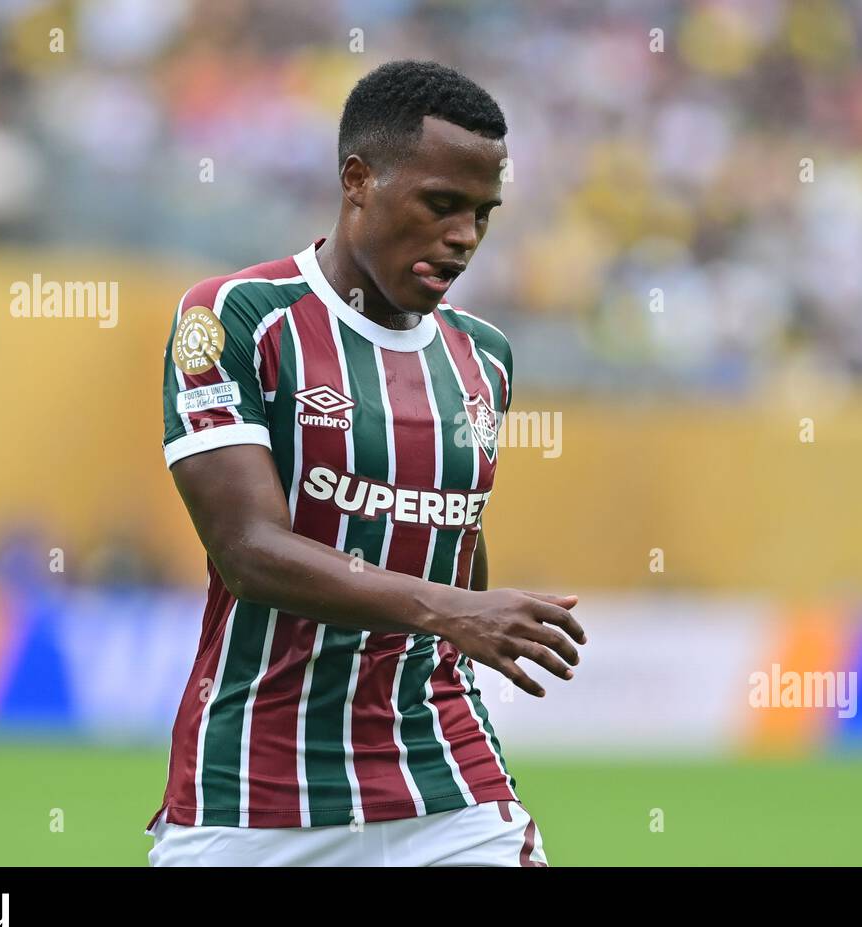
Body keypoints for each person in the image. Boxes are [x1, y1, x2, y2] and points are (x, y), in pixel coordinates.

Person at [146, 60, 585, 866]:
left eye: (483, 215)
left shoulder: (483, 358)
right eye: (441, 205)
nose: (464, 237)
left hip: (443, 775)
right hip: (256, 791)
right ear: (359, 181)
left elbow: (453, 543)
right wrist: (451, 611)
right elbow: (248, 552)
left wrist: (469, 616)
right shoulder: (239, 318)